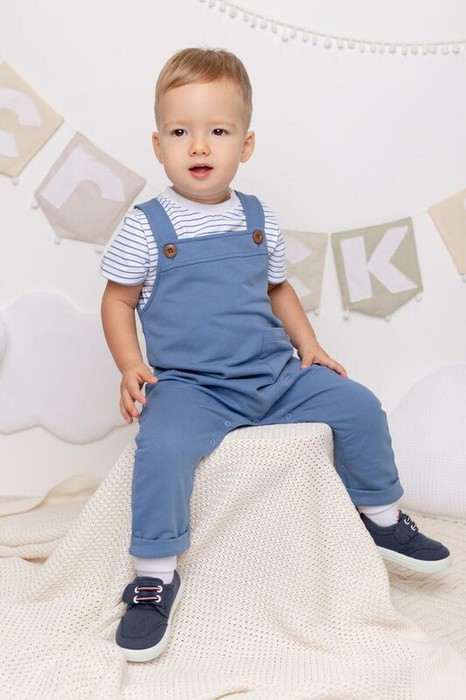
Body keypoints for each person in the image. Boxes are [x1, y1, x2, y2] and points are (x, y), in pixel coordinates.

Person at [100, 47, 451, 663]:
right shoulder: (147, 225)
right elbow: (118, 298)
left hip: (273, 374)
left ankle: (380, 514)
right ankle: (153, 576)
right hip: (192, 386)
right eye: (180, 133)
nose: (199, 146)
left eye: (218, 131)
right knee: (162, 447)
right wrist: (130, 364)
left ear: (247, 144)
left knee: (359, 405)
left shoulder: (257, 216)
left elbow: (277, 288)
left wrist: (309, 346)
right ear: (158, 145)